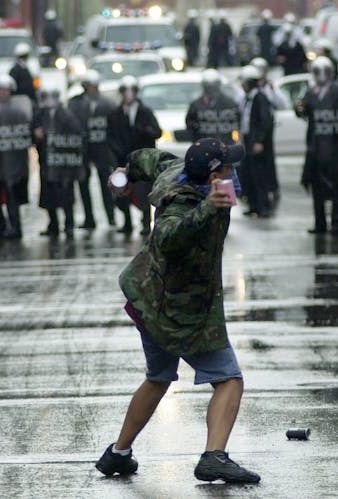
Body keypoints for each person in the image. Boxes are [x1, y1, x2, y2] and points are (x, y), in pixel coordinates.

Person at [95, 139, 260, 485]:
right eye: (228, 169)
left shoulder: (175, 170)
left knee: (158, 377)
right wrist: (208, 209)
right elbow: (167, 237)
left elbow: (149, 158)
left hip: (145, 297)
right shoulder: (185, 203)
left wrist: (125, 171)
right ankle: (214, 457)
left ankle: (118, 455)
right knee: (229, 379)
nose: (234, 174)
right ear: (212, 176)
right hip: (177, 311)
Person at [296, 56, 338, 234]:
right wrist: (299, 107)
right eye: (318, 72)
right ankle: (320, 223)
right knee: (317, 188)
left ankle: (336, 222)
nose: (322, 76)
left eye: (325, 72)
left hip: (337, 148)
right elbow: (303, 111)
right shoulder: (310, 92)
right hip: (316, 148)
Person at [0, 74, 33, 239]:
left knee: (12, 194)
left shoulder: (19, 110)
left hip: (14, 158)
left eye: (6, 90)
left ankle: (15, 226)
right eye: (0, 90)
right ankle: (1, 224)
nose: (3, 93)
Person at [107, 76, 162, 236]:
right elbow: (110, 136)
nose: (129, 95)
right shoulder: (115, 114)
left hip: (143, 161)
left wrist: (144, 131)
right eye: (125, 91)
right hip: (123, 159)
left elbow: (157, 132)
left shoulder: (145, 113)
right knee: (122, 191)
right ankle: (127, 221)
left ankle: (146, 222)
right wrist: (117, 151)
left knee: (144, 191)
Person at [67, 70, 118, 229]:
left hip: (102, 149)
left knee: (106, 183)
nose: (93, 90)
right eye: (90, 86)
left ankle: (111, 217)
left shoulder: (108, 104)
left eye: (95, 86)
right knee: (83, 183)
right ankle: (89, 219)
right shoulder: (74, 104)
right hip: (83, 149)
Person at [33, 85, 85, 238]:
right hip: (46, 161)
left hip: (63, 163)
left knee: (66, 193)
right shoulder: (39, 115)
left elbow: (77, 134)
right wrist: (36, 135)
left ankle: (69, 224)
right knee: (49, 195)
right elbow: (31, 131)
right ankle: (53, 224)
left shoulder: (66, 115)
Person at [238, 65, 274, 218]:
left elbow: (265, 122)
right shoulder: (246, 99)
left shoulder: (260, 99)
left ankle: (263, 206)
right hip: (247, 139)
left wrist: (259, 141)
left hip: (257, 142)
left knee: (259, 175)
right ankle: (253, 205)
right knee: (249, 174)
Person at [186, 69, 241, 145]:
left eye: (213, 87)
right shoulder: (196, 105)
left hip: (226, 146)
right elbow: (189, 124)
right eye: (208, 87)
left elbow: (239, 124)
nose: (211, 90)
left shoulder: (230, 104)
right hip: (204, 146)